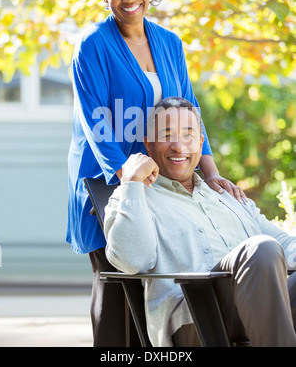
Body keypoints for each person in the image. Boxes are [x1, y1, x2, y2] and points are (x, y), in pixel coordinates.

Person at [66, 0, 246, 346]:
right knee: (117, 285)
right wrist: (126, 175)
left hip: (162, 180)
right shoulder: (92, 44)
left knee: (158, 280)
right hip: (108, 179)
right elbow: (95, 119)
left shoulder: (169, 43)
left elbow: (189, 111)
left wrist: (210, 171)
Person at [104, 97, 296, 347]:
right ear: (149, 145)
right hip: (195, 316)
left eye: (188, 135)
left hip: (261, 304)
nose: (179, 146)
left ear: (201, 143)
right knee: (261, 249)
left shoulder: (225, 194)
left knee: (266, 248)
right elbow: (132, 260)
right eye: (167, 135)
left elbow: (282, 241)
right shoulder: (134, 196)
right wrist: (130, 182)